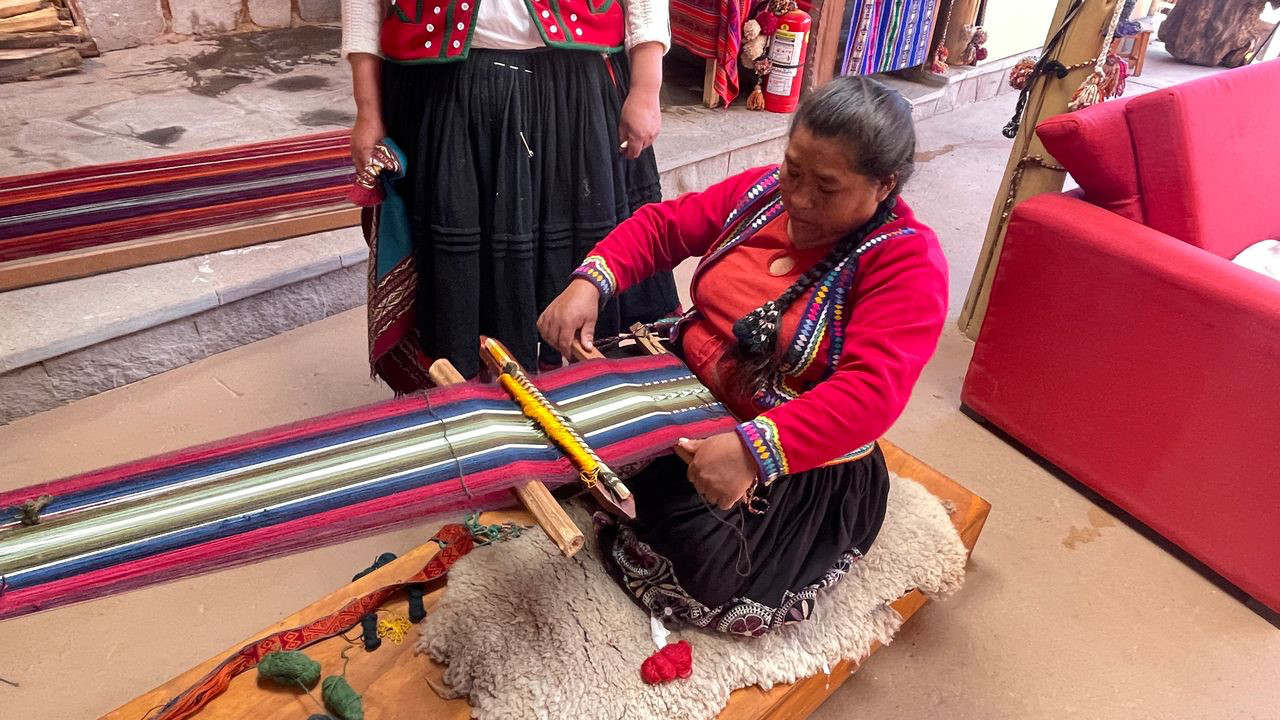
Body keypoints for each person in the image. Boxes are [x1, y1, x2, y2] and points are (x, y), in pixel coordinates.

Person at [538, 76, 948, 636]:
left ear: (884, 186)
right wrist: (591, 281)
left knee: (703, 558)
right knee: (569, 423)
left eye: (826, 187)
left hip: (791, 448)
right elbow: (663, 227)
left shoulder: (907, 264)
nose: (798, 199)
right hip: (687, 387)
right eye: (792, 169)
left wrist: (754, 450)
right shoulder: (760, 195)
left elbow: (872, 391)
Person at [340, 0, 680, 385]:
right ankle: (472, 396)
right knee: (460, 263)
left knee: (582, 257)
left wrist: (647, 85)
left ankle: (586, 397)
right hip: (446, 90)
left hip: (573, 89)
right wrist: (367, 108)